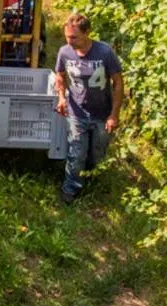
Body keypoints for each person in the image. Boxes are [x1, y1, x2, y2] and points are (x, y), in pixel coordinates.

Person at [53, 12, 124, 202]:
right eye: (67, 37)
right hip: (76, 112)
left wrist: (114, 114)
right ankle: (71, 189)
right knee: (76, 153)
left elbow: (118, 82)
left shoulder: (104, 53)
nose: (70, 41)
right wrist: (61, 97)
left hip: (102, 112)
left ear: (87, 33)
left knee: (97, 153)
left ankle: (92, 181)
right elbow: (60, 75)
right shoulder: (65, 52)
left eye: (74, 37)